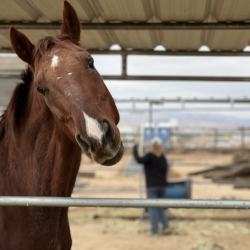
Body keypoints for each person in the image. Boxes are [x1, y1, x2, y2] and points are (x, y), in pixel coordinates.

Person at [133, 137, 170, 236]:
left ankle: (154, 230)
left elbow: (139, 160)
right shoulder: (163, 158)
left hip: (152, 186)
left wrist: (134, 148)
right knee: (160, 207)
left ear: (152, 146)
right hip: (162, 185)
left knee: (152, 207)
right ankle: (166, 227)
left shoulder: (150, 156)